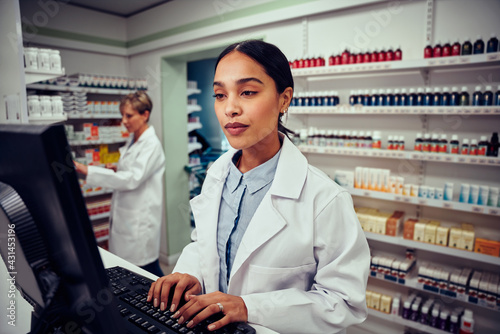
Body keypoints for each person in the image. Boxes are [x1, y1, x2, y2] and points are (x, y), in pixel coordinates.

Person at [147, 40, 370, 333]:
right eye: (219, 94)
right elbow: (204, 245)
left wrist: (249, 307)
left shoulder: (325, 198)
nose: (230, 108)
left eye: (248, 92)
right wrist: (191, 274)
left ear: (284, 99)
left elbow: (343, 303)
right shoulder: (217, 174)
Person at [74, 91, 165, 277]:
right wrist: (117, 169)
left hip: (140, 221)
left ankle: (172, 299)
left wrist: (88, 171)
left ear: (145, 115)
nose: (124, 120)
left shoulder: (151, 144)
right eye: (122, 115)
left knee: (146, 271)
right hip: (126, 215)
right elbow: (132, 172)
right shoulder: (133, 139)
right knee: (132, 270)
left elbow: (132, 179)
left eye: (129, 115)